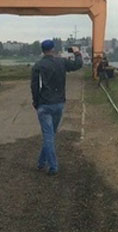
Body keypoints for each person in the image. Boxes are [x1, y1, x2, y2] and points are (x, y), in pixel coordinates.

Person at [31, 39, 82, 175]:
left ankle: (53, 166)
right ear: (53, 49)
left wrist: (36, 102)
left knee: (48, 136)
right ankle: (41, 163)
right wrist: (77, 53)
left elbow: (34, 86)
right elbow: (78, 65)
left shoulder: (38, 65)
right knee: (51, 134)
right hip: (59, 103)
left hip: (44, 104)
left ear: (42, 50)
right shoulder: (61, 62)